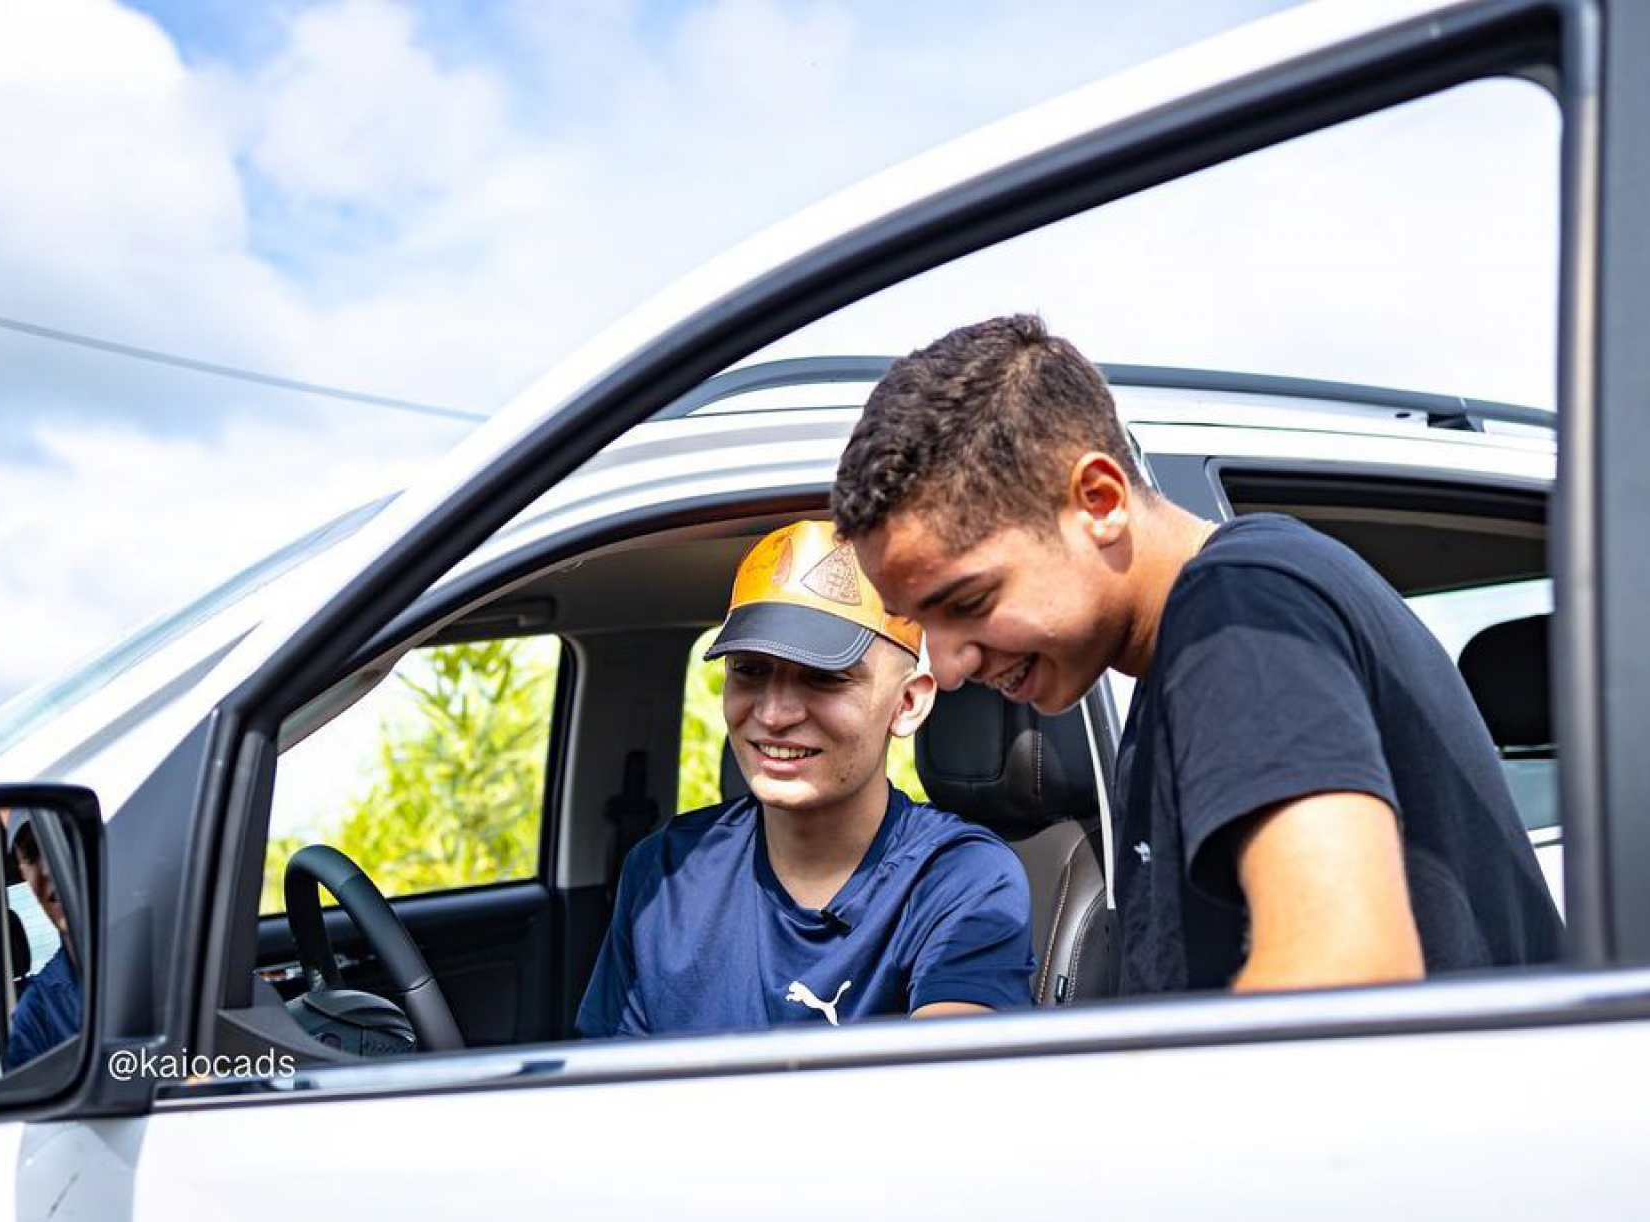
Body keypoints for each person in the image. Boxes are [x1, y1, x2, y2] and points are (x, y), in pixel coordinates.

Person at [833, 315, 1563, 994]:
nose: (953, 666)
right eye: (925, 624)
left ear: (1098, 500)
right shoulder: (1185, 657)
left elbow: (1346, 972)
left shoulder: (1236, 612)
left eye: (969, 603)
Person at [577, 519, 1034, 1035]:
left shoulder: (959, 879)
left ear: (907, 703)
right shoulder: (666, 871)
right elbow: (610, 1092)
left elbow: (949, 1087)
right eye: (749, 670)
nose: (773, 714)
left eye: (824, 678)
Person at [6, 812, 83, 1069]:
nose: (49, 869)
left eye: (62, 839)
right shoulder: (37, 1015)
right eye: (32, 851)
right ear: (22, 872)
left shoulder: (163, 946)